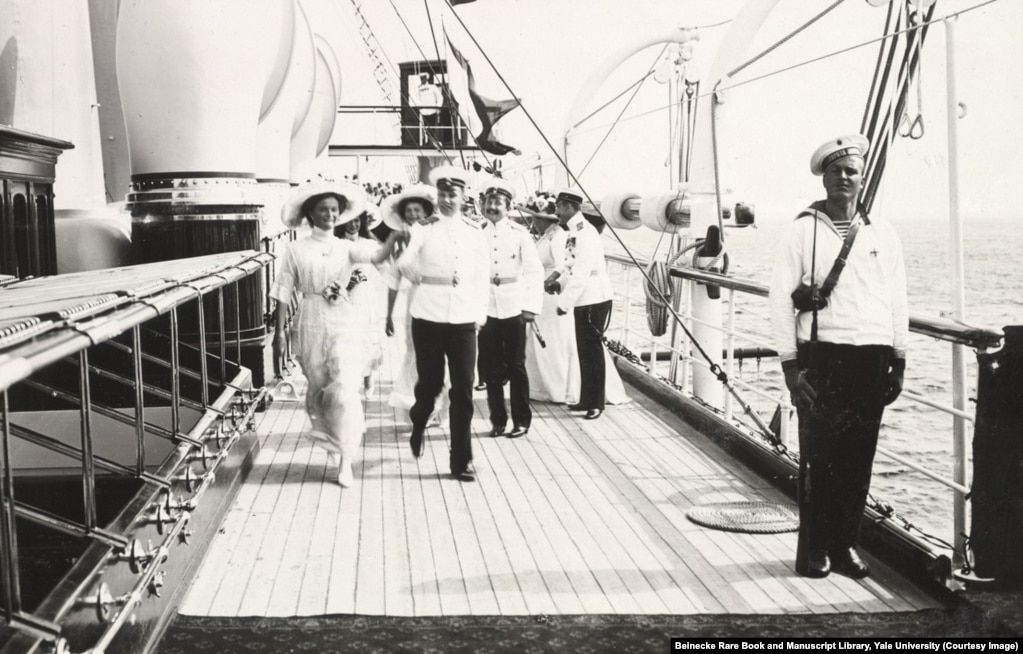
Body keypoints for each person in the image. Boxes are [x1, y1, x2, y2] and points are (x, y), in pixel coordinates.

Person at [769, 134, 908, 579]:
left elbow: (897, 298)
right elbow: (778, 301)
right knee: (818, 458)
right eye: (835, 171)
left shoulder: (882, 234)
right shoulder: (801, 230)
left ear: (862, 177)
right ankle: (814, 550)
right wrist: (790, 366)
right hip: (823, 356)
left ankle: (845, 546)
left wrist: (899, 357)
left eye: (851, 170)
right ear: (824, 178)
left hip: (872, 356)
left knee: (858, 459)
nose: (843, 178)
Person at [270, 181, 404, 487]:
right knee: (319, 390)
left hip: (344, 320)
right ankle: (333, 439)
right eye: (323, 209)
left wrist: (396, 236)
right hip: (310, 321)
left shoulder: (347, 247)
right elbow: (283, 290)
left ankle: (346, 459)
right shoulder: (295, 248)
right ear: (311, 214)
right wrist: (279, 334)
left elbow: (379, 255)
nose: (330, 214)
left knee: (344, 388)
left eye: (334, 209)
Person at [396, 165, 490, 482]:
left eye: (453, 194)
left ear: (464, 197)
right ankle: (419, 419)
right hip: (428, 316)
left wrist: (479, 316)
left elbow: (481, 278)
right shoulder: (424, 227)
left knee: (463, 389)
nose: (447, 200)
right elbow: (405, 257)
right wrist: (409, 269)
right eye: (442, 194)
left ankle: (460, 460)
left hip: (463, 318)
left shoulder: (475, 232)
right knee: (430, 386)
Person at [477, 178, 544, 438]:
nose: (493, 207)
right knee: (491, 368)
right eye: (489, 202)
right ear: (482, 205)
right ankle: (498, 420)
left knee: (516, 366)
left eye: (498, 203)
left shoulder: (519, 234)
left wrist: (530, 307)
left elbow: (534, 271)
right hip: (485, 308)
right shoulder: (476, 232)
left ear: (508, 207)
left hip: (515, 306)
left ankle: (522, 421)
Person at [544, 187, 614, 420]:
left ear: (567, 207)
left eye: (558, 208)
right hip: (585, 297)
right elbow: (569, 262)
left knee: (592, 351)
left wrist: (564, 302)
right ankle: (586, 398)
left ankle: (596, 403)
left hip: (594, 297)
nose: (557, 213)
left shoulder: (585, 233)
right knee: (583, 349)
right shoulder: (575, 230)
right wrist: (555, 277)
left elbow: (582, 272)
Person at [380, 184, 448, 420]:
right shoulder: (399, 242)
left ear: (426, 212)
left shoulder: (438, 236)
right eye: (408, 211)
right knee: (416, 352)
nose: (413, 215)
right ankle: (421, 405)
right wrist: (388, 315)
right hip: (414, 302)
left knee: (440, 354)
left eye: (417, 210)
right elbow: (392, 280)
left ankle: (441, 405)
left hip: (440, 299)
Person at [335, 205, 386, 394]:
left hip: (364, 295)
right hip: (342, 296)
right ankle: (348, 382)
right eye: (350, 220)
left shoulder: (369, 244)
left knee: (366, 336)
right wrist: (346, 283)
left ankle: (368, 379)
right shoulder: (335, 244)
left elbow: (384, 268)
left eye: (357, 220)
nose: (353, 224)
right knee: (345, 338)